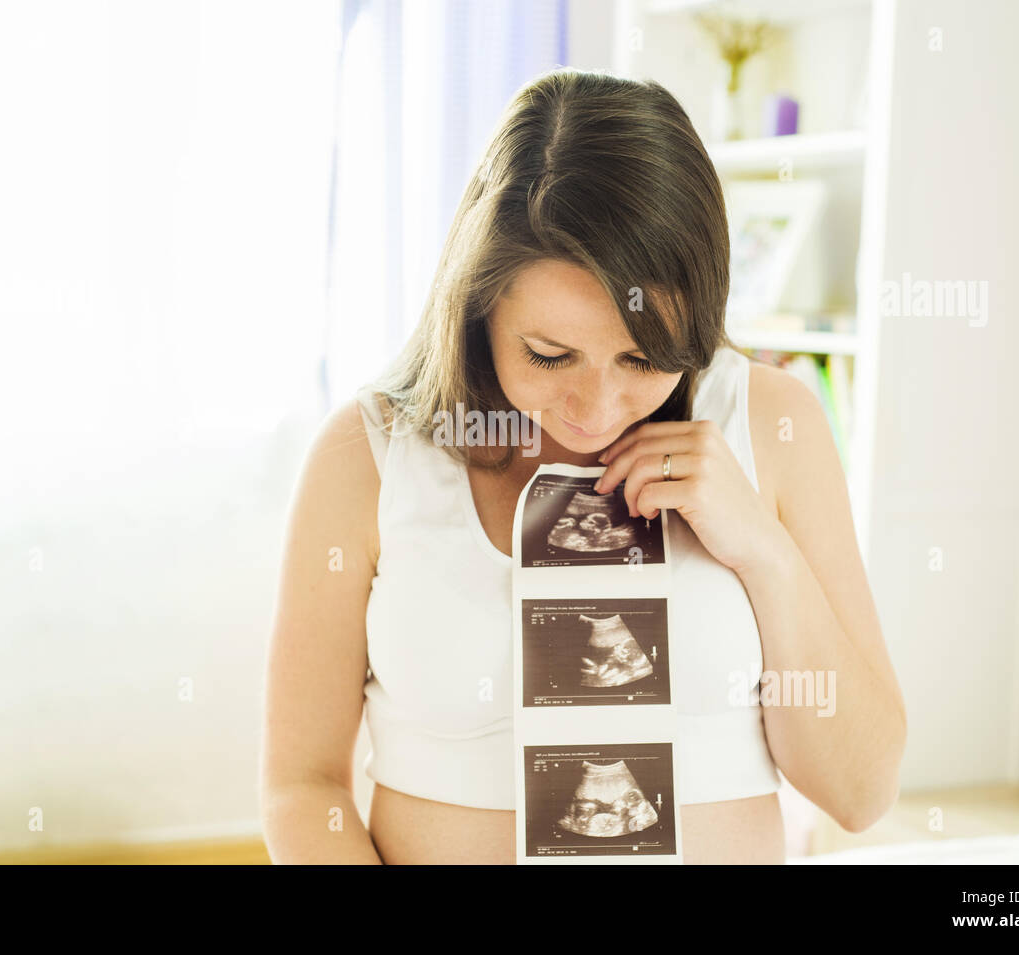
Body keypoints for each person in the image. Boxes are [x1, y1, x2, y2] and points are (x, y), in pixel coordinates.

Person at [260, 68, 906, 864]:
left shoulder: (773, 424)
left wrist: (763, 552)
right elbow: (303, 784)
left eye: (643, 359)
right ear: (477, 305)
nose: (595, 410)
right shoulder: (368, 457)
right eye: (550, 355)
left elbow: (862, 789)